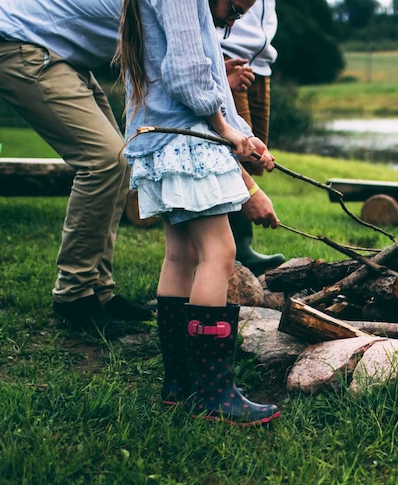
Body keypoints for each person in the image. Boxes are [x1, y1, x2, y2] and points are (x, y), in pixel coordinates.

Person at [116, 0, 281, 425]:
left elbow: (204, 81)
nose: (235, 17)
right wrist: (228, 133)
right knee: (219, 254)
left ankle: (181, 384)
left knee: (182, 256)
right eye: (235, 6)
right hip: (186, 140)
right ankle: (214, 393)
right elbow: (188, 73)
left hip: (162, 137)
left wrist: (246, 139)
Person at [0, 0, 155, 337]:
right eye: (233, 11)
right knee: (105, 161)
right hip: (21, 40)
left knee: (119, 161)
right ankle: (73, 294)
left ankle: (98, 289)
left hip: (62, 53)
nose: (230, 23)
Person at [218, 0, 286, 276]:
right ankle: (234, 245)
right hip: (228, 54)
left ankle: (238, 244)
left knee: (252, 154)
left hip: (261, 62)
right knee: (231, 149)